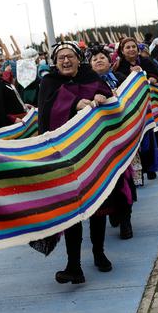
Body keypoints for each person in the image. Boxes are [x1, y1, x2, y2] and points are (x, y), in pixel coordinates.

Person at [37, 41, 114, 284]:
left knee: (98, 203)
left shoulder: (89, 75)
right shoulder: (48, 82)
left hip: (93, 151)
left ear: (78, 58)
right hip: (65, 156)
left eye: (70, 56)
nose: (66, 61)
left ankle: (99, 252)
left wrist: (102, 95)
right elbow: (46, 113)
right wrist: (73, 105)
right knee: (73, 208)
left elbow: (106, 92)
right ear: (54, 62)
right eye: (61, 58)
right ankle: (74, 265)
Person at [88, 45, 137, 240]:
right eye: (94, 59)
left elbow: (132, 99)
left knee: (126, 179)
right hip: (100, 144)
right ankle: (113, 213)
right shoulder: (87, 85)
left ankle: (126, 221)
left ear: (110, 61)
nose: (98, 60)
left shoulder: (123, 80)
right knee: (106, 181)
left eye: (102, 57)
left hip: (123, 138)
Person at [114, 37, 158, 181]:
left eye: (133, 46)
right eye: (127, 47)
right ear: (122, 51)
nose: (131, 50)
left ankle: (151, 168)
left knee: (149, 135)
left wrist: (151, 77)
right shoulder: (118, 66)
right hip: (129, 109)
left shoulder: (146, 61)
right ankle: (137, 173)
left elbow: (155, 74)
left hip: (146, 105)